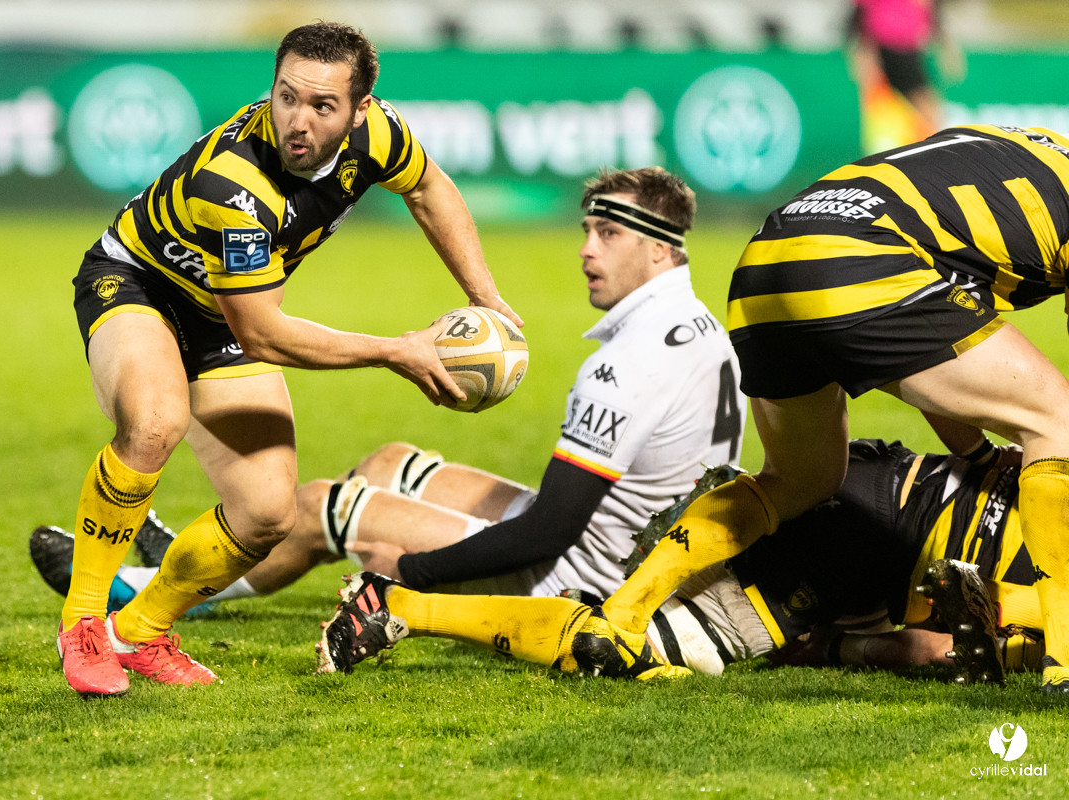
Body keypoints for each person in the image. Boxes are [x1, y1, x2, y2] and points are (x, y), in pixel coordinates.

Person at [31, 166, 747, 666]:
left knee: (318, 508)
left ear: (660, 247)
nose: (587, 250)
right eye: (587, 229)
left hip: (580, 579)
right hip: (633, 546)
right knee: (388, 463)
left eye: (609, 236)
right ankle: (179, 556)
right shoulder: (693, 324)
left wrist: (405, 576)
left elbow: (549, 532)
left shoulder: (624, 365)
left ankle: (146, 594)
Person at [55, 20, 520, 697]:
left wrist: (488, 301)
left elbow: (430, 190)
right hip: (138, 286)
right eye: (286, 96)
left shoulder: (379, 136)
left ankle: (141, 630)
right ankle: (83, 626)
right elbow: (265, 334)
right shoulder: (235, 183)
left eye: (322, 106)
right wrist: (395, 350)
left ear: (360, 110)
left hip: (221, 318)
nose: (297, 120)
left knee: (268, 513)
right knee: (155, 422)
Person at [564, 123, 1069, 695]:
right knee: (1058, 421)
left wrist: (977, 452)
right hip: (864, 262)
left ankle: (619, 617)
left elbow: (951, 340)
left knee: (800, 481)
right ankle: (1065, 662)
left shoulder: (1023, 147)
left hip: (766, 262)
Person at [317, 438, 1044, 683]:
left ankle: (405, 489)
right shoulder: (1051, 625)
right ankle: (401, 602)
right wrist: (839, 651)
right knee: (636, 642)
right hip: (857, 559)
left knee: (616, 585)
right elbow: (933, 646)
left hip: (869, 479)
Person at [847, 0, 964, 145]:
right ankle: (936, 148)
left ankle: (932, 147)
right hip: (890, 49)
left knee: (922, 109)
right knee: (924, 109)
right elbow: (858, 14)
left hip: (898, 50)